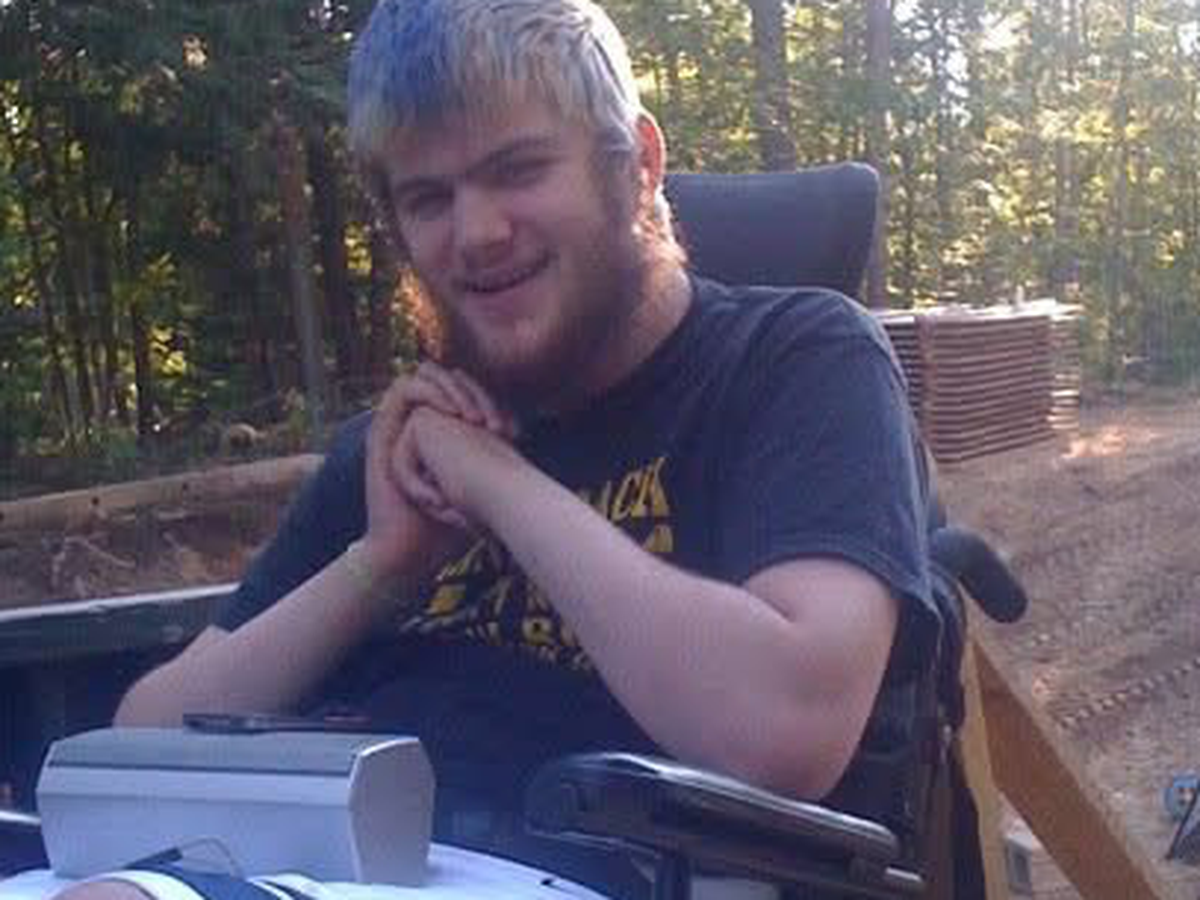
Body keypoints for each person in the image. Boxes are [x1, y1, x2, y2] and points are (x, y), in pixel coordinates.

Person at [47, 0, 937, 898]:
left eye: (517, 170)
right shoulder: (398, 456)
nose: (476, 233)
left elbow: (789, 724)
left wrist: (499, 485)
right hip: (331, 862)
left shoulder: (791, 363)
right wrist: (381, 568)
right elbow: (139, 748)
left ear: (638, 164)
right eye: (428, 199)